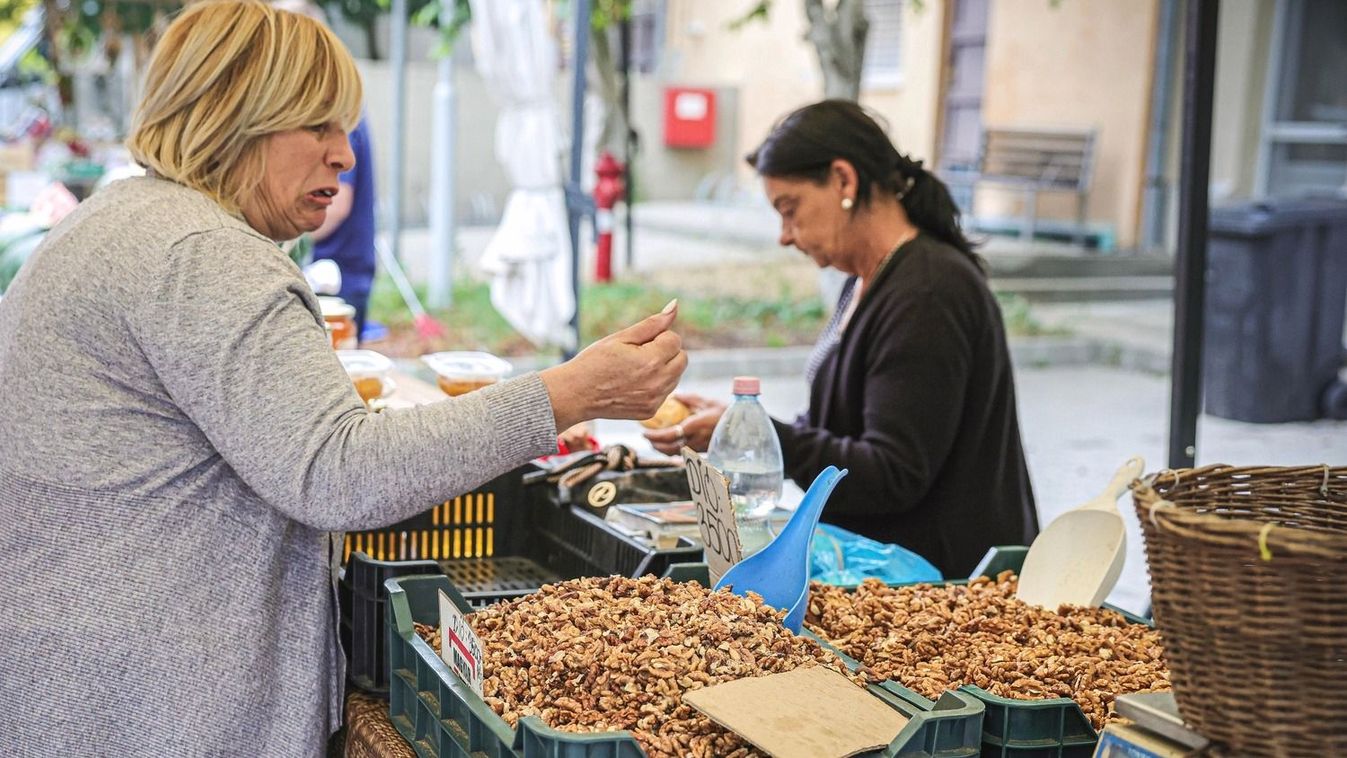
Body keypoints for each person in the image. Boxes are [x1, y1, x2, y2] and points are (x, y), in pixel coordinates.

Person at [0, 2, 684, 754]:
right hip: (146, 707)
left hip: (79, 679)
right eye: (320, 126)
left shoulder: (121, 220)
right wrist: (569, 393)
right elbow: (339, 473)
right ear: (237, 118)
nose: (345, 155)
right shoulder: (204, 253)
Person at [646, 100, 1037, 578]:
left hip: (943, 583)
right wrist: (743, 428)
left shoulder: (928, 291)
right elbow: (838, 429)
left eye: (790, 210)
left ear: (844, 181)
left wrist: (770, 440)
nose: (784, 236)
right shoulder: (867, 279)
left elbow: (893, 473)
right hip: (883, 570)